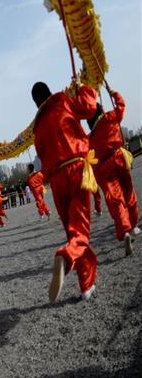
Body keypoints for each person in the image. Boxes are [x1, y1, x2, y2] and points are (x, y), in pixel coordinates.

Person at [31, 81, 98, 303]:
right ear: (49, 92)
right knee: (80, 230)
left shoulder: (38, 127)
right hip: (76, 168)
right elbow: (89, 108)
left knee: (73, 232)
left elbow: (41, 155)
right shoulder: (63, 103)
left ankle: (86, 285)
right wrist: (85, 89)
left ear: (36, 103)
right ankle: (65, 256)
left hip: (56, 180)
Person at [87, 90, 140, 255]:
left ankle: (124, 229)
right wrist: (114, 94)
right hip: (119, 159)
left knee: (115, 200)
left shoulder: (90, 138)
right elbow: (121, 106)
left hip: (103, 168)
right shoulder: (110, 117)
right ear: (101, 111)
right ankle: (134, 226)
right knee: (129, 193)